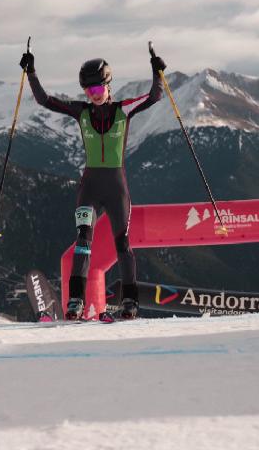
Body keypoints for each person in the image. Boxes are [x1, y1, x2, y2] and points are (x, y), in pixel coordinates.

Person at [20, 48, 165, 320]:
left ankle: (130, 303)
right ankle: (76, 300)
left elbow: (156, 95)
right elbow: (43, 100)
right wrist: (31, 72)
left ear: (108, 85)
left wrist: (157, 71)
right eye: (88, 91)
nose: (94, 95)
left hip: (116, 188)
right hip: (90, 188)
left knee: (122, 244)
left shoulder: (124, 109)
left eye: (98, 88)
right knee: (83, 241)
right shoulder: (81, 112)